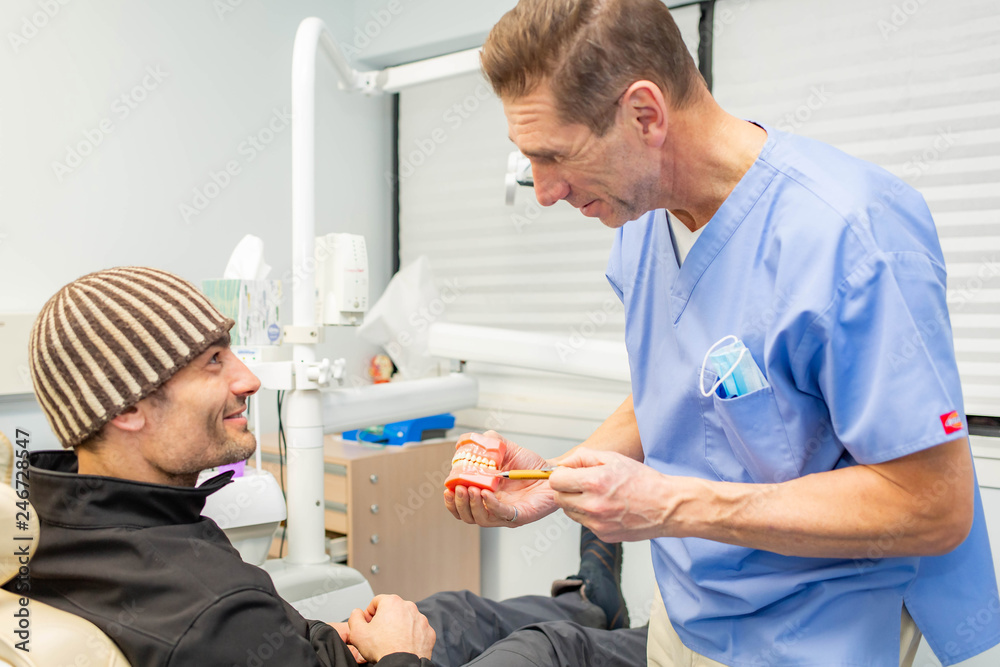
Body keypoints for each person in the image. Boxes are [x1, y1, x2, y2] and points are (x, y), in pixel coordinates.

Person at [444, 1, 1000, 665]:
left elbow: (934, 505)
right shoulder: (641, 220)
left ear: (645, 114)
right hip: (688, 621)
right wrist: (553, 477)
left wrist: (670, 505)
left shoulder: (850, 235)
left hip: (825, 632)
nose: (542, 190)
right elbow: (685, 389)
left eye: (555, 156)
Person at [16, 266, 646, 666]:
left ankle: (594, 602)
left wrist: (308, 638)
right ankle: (682, 647)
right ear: (127, 408)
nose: (248, 378)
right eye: (212, 362)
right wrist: (399, 656)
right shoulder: (207, 614)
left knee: (454, 612)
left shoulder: (48, 519)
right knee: (551, 651)